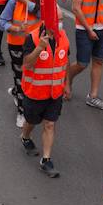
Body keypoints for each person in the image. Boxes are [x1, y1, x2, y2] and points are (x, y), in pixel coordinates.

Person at [20, 19, 70, 177]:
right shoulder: (33, 38)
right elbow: (27, 64)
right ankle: (25, 137)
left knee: (49, 124)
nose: (61, 23)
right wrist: (40, 48)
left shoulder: (64, 37)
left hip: (55, 93)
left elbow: (65, 62)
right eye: (58, 20)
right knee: (32, 121)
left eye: (61, 19)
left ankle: (46, 160)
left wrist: (67, 84)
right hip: (35, 92)